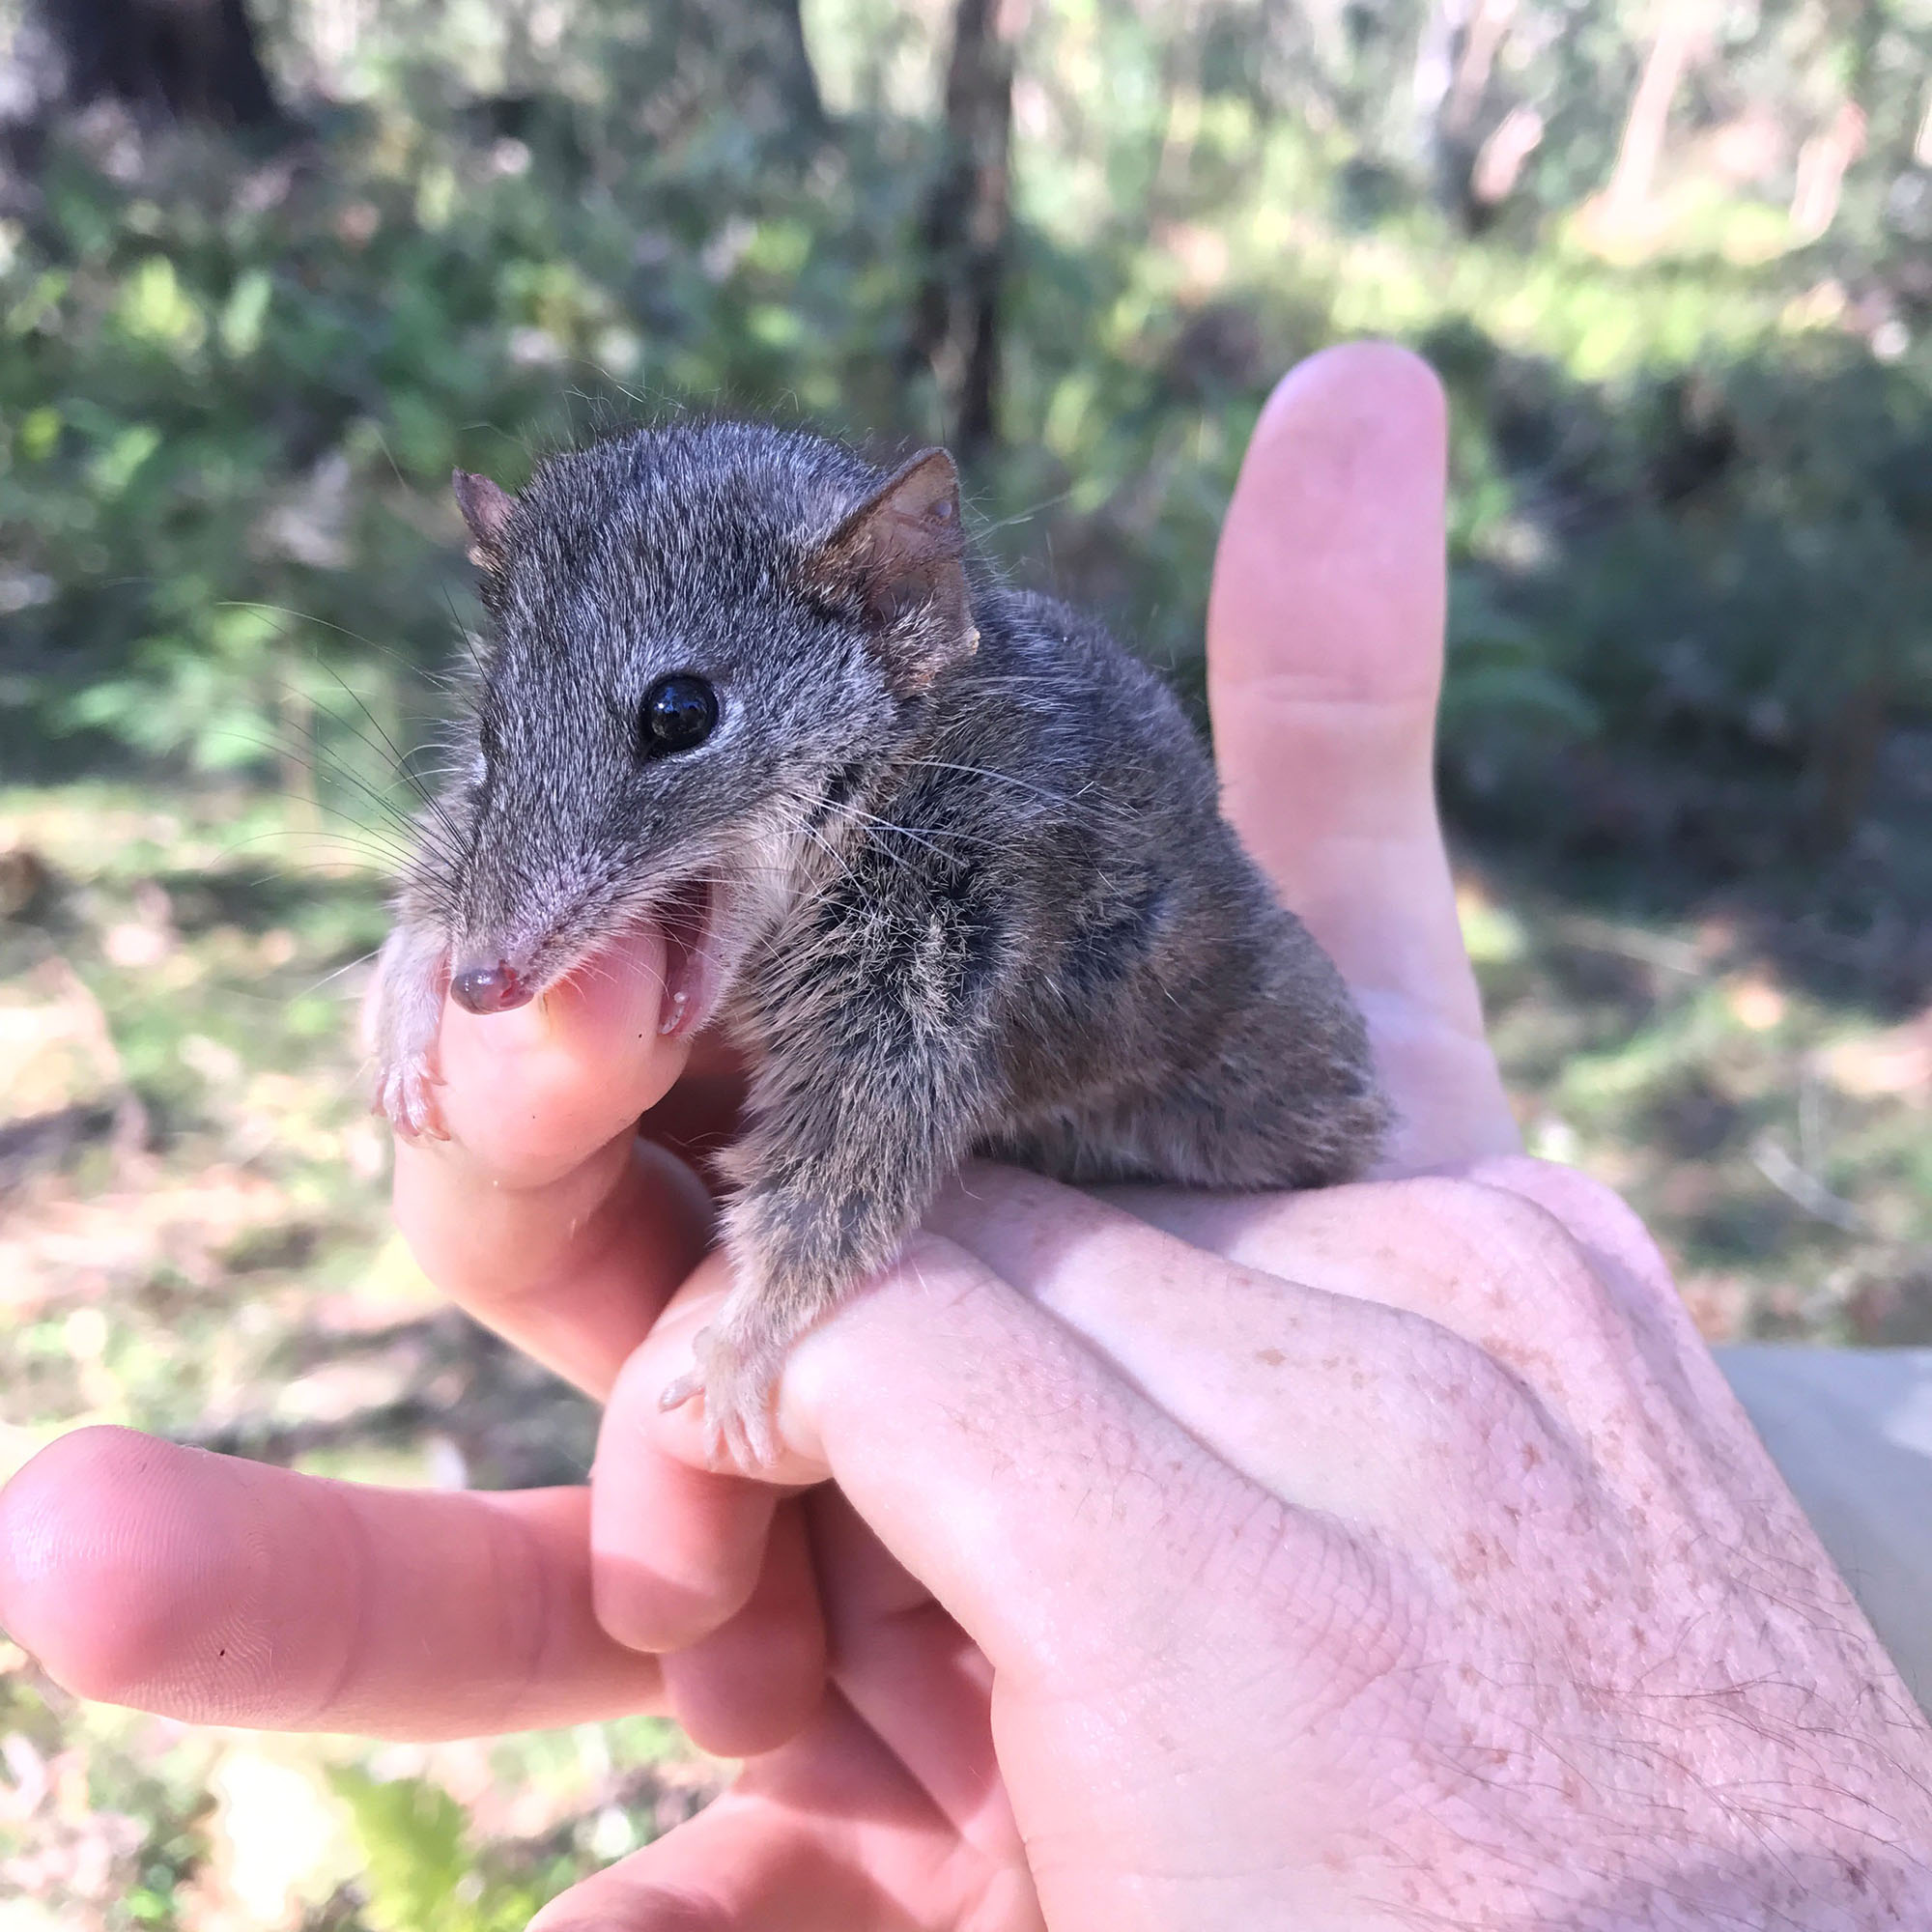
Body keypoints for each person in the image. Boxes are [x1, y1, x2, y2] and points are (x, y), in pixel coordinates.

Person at [3, 345, 1930, 1927]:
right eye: (523, 733)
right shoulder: (667, 731)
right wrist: (442, 934)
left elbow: (876, 1082)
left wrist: (767, 1323)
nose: (534, 908)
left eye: (683, 718)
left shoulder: (952, 792)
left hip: (1228, 1136)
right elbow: (539, 807)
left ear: (895, 616)